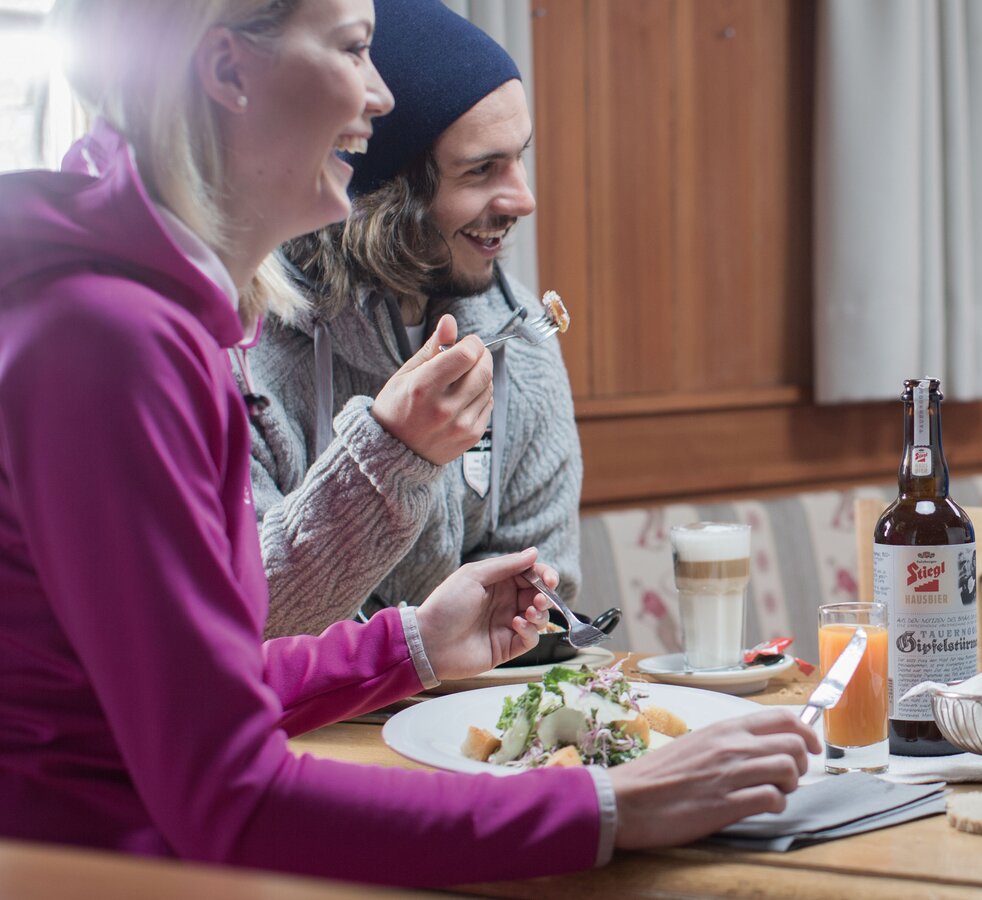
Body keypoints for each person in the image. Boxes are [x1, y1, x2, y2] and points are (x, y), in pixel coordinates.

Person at [0, 0, 816, 886]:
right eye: (354, 48)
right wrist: (610, 806)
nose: (382, 95)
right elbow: (227, 794)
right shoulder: (108, 340)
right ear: (229, 71)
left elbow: (192, 695)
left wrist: (409, 645)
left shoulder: (162, 321)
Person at [238, 0, 579, 637]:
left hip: (462, 720)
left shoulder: (518, 335)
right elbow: (242, 621)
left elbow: (539, 588)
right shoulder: (243, 346)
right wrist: (394, 454)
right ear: (388, 196)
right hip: (287, 725)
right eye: (481, 170)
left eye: (519, 157)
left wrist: (529, 613)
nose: (523, 199)